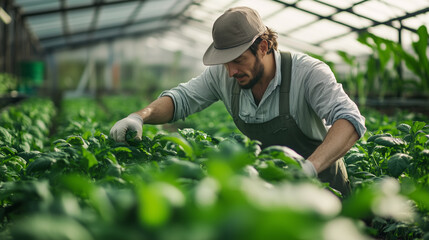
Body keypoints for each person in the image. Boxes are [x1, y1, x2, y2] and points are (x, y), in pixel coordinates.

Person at [109, 6, 366, 196]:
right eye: (225, 62)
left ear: (263, 47)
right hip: (272, 191)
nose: (230, 72)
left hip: (325, 193)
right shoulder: (223, 75)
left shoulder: (307, 73)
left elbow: (349, 120)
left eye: (238, 60)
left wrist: (309, 168)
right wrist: (139, 116)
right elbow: (180, 99)